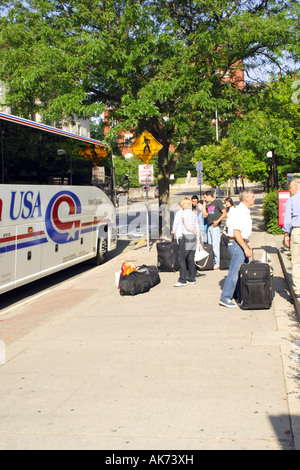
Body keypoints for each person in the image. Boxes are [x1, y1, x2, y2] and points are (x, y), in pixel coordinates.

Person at [219, 190, 255, 308]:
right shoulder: (240, 211)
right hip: (237, 244)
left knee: (241, 273)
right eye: (252, 197)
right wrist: (245, 247)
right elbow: (236, 232)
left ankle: (240, 297)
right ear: (246, 199)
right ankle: (225, 297)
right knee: (234, 272)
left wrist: (247, 243)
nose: (254, 198)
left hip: (241, 242)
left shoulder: (244, 210)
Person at [174, 197, 199, 287]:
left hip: (186, 236)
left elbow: (186, 225)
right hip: (193, 237)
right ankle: (192, 278)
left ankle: (182, 279)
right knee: (190, 258)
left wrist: (191, 230)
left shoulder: (184, 213)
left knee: (181, 258)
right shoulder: (193, 213)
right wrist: (198, 239)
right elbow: (197, 226)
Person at [283, 178, 300, 299]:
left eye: (290, 187)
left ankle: (298, 288)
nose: (290, 190)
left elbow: (288, 220)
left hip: (297, 231)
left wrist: (286, 234)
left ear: (296, 187)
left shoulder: (291, 200)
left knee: (297, 262)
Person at [203, 191, 227, 269]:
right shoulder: (208, 205)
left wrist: (218, 221)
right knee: (210, 245)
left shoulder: (217, 202)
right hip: (209, 226)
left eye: (205, 197)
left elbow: (224, 212)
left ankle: (218, 262)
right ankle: (212, 261)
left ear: (209, 196)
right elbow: (205, 215)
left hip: (215, 226)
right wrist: (204, 205)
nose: (205, 199)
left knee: (215, 244)